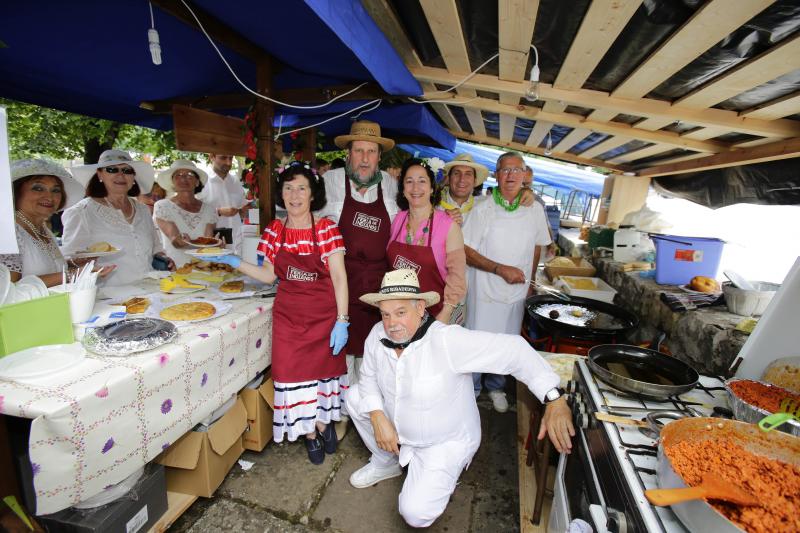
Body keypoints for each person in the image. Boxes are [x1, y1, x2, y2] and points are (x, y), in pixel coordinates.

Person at [346, 269, 573, 528]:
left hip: (443, 441)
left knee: (415, 513)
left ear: (420, 308)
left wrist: (554, 398)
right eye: (385, 314)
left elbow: (516, 350)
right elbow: (368, 377)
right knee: (354, 396)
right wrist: (377, 416)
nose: (391, 323)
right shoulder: (377, 334)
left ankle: (441, 472)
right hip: (398, 423)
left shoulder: (447, 340)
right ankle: (386, 462)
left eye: (400, 313)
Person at [205, 162, 349, 464]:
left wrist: (342, 321)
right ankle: (312, 432)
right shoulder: (274, 230)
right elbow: (269, 276)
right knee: (290, 377)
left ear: (312, 194)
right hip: (288, 318)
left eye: (301, 188)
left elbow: (339, 277)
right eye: (288, 188)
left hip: (324, 319)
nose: (294, 195)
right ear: (281, 194)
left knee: (322, 377)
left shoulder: (326, 229)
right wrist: (233, 261)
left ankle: (322, 421)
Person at [316, 120, 399, 436]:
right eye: (359, 151)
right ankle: (341, 412)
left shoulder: (393, 187)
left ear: (380, 156)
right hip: (340, 279)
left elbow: (421, 210)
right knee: (341, 351)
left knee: (373, 349)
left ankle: (369, 410)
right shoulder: (330, 181)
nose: (365, 158)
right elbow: (303, 218)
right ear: (348, 154)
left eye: (371, 152)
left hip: (378, 280)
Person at [462, 152, 552, 413]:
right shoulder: (482, 208)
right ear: (496, 175)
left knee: (507, 341)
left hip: (517, 290)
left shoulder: (534, 209)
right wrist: (499, 268)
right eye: (505, 170)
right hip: (484, 290)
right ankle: (472, 388)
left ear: (525, 175)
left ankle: (496, 386)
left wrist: (532, 280)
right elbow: (466, 250)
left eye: (516, 170)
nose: (511, 175)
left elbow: (537, 246)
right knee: (479, 340)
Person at [62, 150, 174, 286]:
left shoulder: (143, 210)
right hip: (107, 298)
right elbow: (69, 261)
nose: (120, 175)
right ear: (99, 174)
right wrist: (84, 262)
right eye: (112, 169)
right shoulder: (81, 212)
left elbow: (156, 248)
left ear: (133, 177)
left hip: (149, 290)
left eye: (127, 170)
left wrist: (163, 259)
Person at [1, 159, 114, 286]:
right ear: (15, 192)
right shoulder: (7, 233)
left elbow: (44, 268)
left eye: (55, 190)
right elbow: (8, 289)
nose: (49, 197)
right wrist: (73, 274)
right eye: (38, 188)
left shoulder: (42, 229)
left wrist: (74, 263)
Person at [387, 159, 466, 324]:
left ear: (431, 188)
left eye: (422, 181)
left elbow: (457, 278)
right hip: (402, 313)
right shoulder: (398, 220)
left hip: (438, 313)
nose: (415, 188)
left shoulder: (448, 225)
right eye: (409, 181)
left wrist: (444, 315)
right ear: (403, 189)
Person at [153, 160, 218, 267]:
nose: (183, 179)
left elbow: (208, 243)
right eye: (178, 175)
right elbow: (176, 241)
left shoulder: (209, 209)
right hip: (175, 269)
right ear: (172, 182)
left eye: (189, 175)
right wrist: (181, 239)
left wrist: (217, 245)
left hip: (205, 269)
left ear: (197, 182)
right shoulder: (162, 206)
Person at [197, 153, 247, 253]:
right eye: (223, 157)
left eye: (231, 158)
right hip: (211, 244)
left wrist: (243, 210)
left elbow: (242, 209)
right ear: (211, 157)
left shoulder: (235, 181)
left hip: (237, 243)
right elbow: (193, 213)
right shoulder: (202, 182)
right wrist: (218, 211)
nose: (228, 163)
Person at [438, 153, 490, 227]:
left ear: (474, 181)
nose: (462, 179)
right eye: (456, 173)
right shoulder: (433, 204)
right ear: (448, 179)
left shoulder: (482, 209)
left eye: (468, 174)